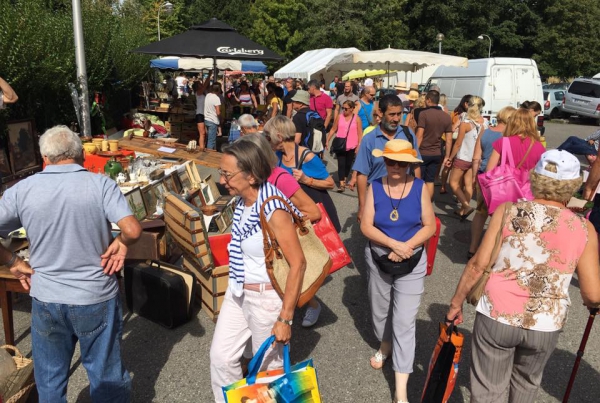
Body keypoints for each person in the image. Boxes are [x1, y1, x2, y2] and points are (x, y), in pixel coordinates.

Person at [446, 149, 600, 403]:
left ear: (535, 178)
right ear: (574, 185)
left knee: (488, 388)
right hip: (545, 321)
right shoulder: (584, 228)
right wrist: (592, 304)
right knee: (527, 385)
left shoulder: (508, 212)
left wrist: (456, 303)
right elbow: (593, 293)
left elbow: (477, 265)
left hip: (498, 314)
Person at [0, 126, 141, 401]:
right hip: (95, 295)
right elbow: (133, 230)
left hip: (47, 297)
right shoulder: (100, 184)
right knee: (106, 377)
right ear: (80, 156)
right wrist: (122, 242)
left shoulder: (24, 189)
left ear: (44, 158)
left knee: (50, 379)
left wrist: (13, 261)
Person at [209, 138, 306, 402]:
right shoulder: (241, 203)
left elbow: (298, 263)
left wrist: (285, 318)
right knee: (221, 357)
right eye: (221, 172)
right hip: (238, 291)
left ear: (251, 176)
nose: (221, 179)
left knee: (269, 375)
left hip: (266, 299)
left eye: (227, 174)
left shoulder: (273, 208)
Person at [360, 139, 436, 403]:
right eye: (391, 161)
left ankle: (400, 390)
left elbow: (429, 225)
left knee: (404, 322)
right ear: (384, 161)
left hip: (411, 260)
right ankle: (384, 345)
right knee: (380, 313)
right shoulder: (375, 186)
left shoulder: (419, 187)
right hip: (380, 255)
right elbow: (366, 226)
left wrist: (407, 246)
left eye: (401, 162)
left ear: (409, 164)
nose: (395, 166)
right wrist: (393, 244)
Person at [264, 115, 339, 327]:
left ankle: (312, 304)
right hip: (291, 216)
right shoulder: (277, 156)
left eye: (269, 137)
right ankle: (303, 301)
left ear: (279, 136)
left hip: (311, 214)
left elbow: (330, 183)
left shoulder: (306, 157)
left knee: (301, 264)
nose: (268, 141)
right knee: (292, 264)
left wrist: (307, 179)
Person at [352, 94, 422, 222]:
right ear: (380, 113)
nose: (396, 119)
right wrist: (362, 206)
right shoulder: (369, 139)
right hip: (377, 196)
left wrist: (417, 195)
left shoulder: (408, 134)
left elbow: (415, 165)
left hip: (404, 194)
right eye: (392, 114)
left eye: (399, 114)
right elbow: (362, 174)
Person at [468, 106, 516, 258]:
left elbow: (476, 158)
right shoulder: (509, 137)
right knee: (501, 217)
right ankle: (494, 251)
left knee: (480, 213)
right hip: (502, 181)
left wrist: (474, 177)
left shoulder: (485, 131)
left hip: (484, 177)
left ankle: (473, 247)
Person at [445, 96, 485, 221]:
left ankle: (466, 206)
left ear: (468, 105)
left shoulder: (465, 123)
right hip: (475, 158)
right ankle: (463, 209)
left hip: (463, 157)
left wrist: (450, 157)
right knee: (468, 185)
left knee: (453, 183)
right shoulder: (483, 122)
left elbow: (458, 143)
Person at [415, 90, 453, 199]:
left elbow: (419, 135)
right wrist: (447, 156)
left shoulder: (424, 114)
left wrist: (414, 152)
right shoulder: (446, 116)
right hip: (437, 153)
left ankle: (419, 203)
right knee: (430, 180)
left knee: (419, 181)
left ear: (428, 100)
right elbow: (449, 139)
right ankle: (428, 203)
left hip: (423, 152)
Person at [485, 107, 546, 173]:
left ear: (512, 122)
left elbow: (489, 171)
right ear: (532, 124)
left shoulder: (502, 142)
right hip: (528, 182)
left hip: (506, 182)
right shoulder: (539, 146)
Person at [327, 100, 363, 192]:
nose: (344, 110)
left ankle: (345, 177)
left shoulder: (357, 119)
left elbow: (360, 134)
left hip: (352, 145)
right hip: (340, 144)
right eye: (343, 108)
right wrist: (327, 140)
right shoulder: (340, 117)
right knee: (341, 164)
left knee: (348, 164)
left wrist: (359, 145)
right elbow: (333, 129)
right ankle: (341, 183)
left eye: (346, 108)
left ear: (352, 109)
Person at [440, 95, 472, 194]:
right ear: (466, 103)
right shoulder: (471, 117)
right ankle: (459, 191)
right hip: (464, 145)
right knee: (461, 170)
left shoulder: (455, 112)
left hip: (454, 141)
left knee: (448, 166)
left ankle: (443, 186)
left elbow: (451, 128)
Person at [193, 72, 212, 151]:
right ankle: (201, 148)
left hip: (206, 114)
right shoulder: (198, 93)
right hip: (200, 114)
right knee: (202, 133)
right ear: (197, 87)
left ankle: (203, 147)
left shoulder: (204, 92)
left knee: (206, 133)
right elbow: (205, 85)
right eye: (200, 84)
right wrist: (209, 75)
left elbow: (207, 87)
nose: (202, 84)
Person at [204, 83, 222, 150]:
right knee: (211, 141)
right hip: (213, 120)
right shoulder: (216, 98)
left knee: (208, 138)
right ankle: (209, 155)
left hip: (206, 119)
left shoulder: (208, 95)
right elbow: (218, 112)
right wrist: (221, 118)